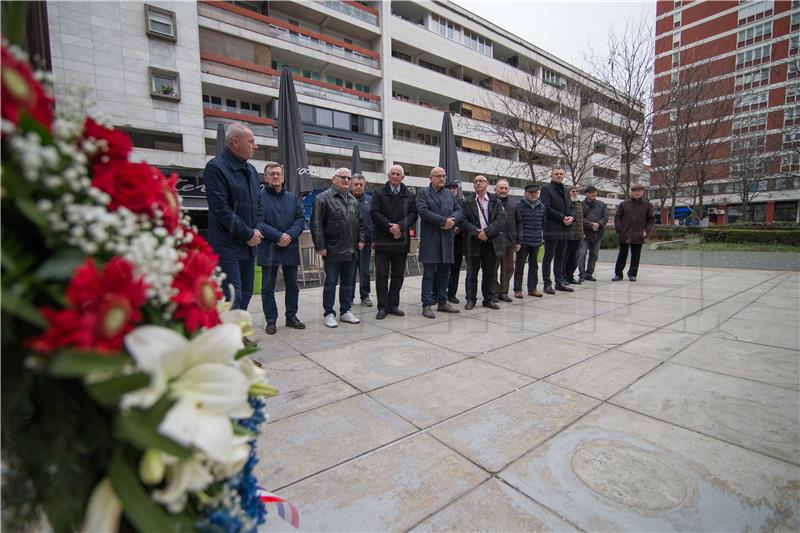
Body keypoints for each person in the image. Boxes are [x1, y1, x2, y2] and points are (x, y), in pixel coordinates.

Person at [203, 123, 262, 319]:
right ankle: (231, 339)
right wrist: (248, 233)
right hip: (227, 245)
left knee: (246, 292)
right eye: (251, 141)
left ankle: (238, 332)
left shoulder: (252, 171)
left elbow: (258, 205)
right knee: (231, 295)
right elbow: (221, 209)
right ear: (235, 142)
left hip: (248, 244)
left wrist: (257, 230)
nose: (256, 146)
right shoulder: (216, 167)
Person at [310, 168, 365, 327]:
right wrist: (320, 245)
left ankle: (345, 311)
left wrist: (361, 239)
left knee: (348, 283)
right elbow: (316, 224)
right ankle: (328, 313)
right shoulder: (323, 198)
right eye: (343, 177)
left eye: (348, 178)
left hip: (351, 250)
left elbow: (360, 223)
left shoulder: (353, 200)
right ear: (334, 179)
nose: (346, 180)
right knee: (331, 283)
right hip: (332, 249)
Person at [256, 162, 306, 335]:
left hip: (289, 246)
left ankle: (291, 317)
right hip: (269, 247)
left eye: (278, 173)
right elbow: (258, 222)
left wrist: (289, 236)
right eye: (271, 174)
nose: (275, 176)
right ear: (265, 177)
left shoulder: (293, 198)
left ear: (283, 177)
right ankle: (271, 321)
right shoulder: (259, 197)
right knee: (267, 287)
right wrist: (278, 236)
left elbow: (300, 220)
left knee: (292, 285)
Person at [370, 165, 417, 320]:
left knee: (398, 275)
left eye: (398, 174)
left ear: (403, 178)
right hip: (383, 240)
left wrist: (400, 226)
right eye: (393, 174)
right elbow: (374, 213)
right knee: (382, 275)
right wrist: (390, 227)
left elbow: (413, 215)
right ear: (388, 176)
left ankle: (393, 305)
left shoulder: (410, 195)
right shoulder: (378, 193)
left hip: (401, 241)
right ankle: (382, 307)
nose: (395, 176)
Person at [416, 166, 463, 319]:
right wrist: (443, 221)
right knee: (429, 274)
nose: (442, 178)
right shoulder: (423, 193)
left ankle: (443, 302)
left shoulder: (449, 195)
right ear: (431, 178)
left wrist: (452, 220)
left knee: (445, 273)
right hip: (431, 240)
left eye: (443, 175)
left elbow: (459, 210)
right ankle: (427, 305)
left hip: (447, 241)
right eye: (439, 176)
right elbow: (423, 211)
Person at [462, 175, 506, 310]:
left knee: (490, 273)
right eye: (475, 181)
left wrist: (486, 232)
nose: (478, 183)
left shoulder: (496, 201)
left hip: (490, 242)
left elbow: (500, 220)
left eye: (481, 181)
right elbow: (463, 221)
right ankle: (470, 299)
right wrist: (477, 232)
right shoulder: (467, 201)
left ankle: (488, 299)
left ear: (487, 184)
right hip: (473, 243)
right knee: (471, 274)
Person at [540, 167, 575, 294]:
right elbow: (546, 208)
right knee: (548, 256)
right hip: (552, 228)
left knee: (560, 257)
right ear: (551, 175)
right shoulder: (546, 189)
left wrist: (572, 217)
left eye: (561, 174)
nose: (559, 175)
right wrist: (562, 218)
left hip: (565, 228)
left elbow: (571, 207)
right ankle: (547, 284)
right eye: (556, 174)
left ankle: (559, 282)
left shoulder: (566, 190)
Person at [613, 183, 655, 282]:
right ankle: (618, 274)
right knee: (622, 255)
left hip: (639, 234)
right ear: (631, 192)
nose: (637, 193)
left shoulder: (647, 205)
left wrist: (646, 231)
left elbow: (651, 220)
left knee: (636, 256)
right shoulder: (624, 204)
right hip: (625, 234)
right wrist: (620, 229)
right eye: (635, 191)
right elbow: (617, 217)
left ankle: (632, 274)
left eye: (639, 191)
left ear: (642, 193)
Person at [514, 183, 547, 298]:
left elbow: (543, 223)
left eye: (535, 192)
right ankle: (517, 289)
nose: (533, 194)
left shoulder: (541, 206)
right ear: (525, 193)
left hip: (536, 241)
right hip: (523, 241)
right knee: (519, 266)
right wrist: (518, 239)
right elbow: (516, 224)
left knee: (534, 266)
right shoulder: (518, 205)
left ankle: (532, 289)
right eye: (531, 192)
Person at [493, 179, 522, 303]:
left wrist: (518, 241)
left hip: (509, 242)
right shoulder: (490, 202)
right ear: (495, 189)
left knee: (508, 268)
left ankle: (503, 292)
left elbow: (519, 222)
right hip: (494, 242)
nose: (503, 190)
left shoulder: (515, 204)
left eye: (505, 188)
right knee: (493, 269)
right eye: (501, 188)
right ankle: (493, 293)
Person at [351, 174, 374, 308]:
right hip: (349, 243)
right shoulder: (345, 200)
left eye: (361, 185)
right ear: (351, 185)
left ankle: (365, 296)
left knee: (365, 271)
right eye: (356, 184)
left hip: (366, 243)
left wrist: (374, 240)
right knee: (350, 272)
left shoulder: (370, 201)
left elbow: (374, 221)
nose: (358, 187)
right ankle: (349, 297)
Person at [578, 185, 607, 282]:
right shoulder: (580, 205)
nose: (594, 194)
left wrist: (599, 224)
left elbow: (605, 217)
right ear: (586, 194)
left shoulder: (602, 204)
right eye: (591, 192)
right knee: (582, 254)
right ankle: (581, 274)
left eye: (595, 192)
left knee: (594, 255)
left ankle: (589, 273)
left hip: (597, 233)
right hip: (585, 234)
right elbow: (579, 218)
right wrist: (591, 224)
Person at [445, 180, 465, 304]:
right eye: (450, 188)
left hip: (457, 241)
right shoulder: (442, 201)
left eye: (454, 188)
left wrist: (459, 228)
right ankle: (436, 293)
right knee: (441, 269)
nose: (452, 190)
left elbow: (465, 219)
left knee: (455, 269)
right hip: (444, 241)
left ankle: (452, 294)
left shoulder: (463, 203)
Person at [564, 186, 585, 285]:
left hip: (578, 236)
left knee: (574, 259)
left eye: (577, 191)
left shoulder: (579, 204)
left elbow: (581, 220)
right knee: (565, 258)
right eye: (573, 191)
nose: (575, 193)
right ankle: (563, 277)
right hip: (568, 237)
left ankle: (570, 276)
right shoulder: (565, 203)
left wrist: (582, 234)